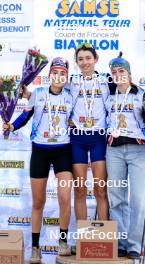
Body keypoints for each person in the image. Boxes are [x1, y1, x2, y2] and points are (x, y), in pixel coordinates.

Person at [3, 57, 73, 263]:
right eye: (55, 72)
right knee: (38, 202)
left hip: (63, 151)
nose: (58, 76)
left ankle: (62, 242)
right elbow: (25, 116)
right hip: (40, 151)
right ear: (49, 74)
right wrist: (12, 126)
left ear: (66, 77)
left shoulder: (71, 96)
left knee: (64, 198)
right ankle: (35, 248)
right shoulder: (39, 94)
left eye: (62, 73)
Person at [105, 54, 145, 259]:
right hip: (114, 151)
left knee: (137, 199)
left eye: (122, 72)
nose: (118, 75)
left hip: (138, 151)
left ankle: (135, 244)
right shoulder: (108, 94)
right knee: (117, 199)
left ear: (129, 74)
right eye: (115, 73)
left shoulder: (142, 95)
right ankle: (120, 243)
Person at [70, 43, 109, 221]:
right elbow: (50, 95)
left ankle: (105, 238)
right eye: (80, 59)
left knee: (100, 189)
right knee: (79, 190)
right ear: (76, 62)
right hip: (77, 139)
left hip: (99, 139)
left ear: (96, 60)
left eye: (88, 58)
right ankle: (83, 236)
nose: (84, 62)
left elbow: (128, 90)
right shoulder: (71, 81)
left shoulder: (107, 80)